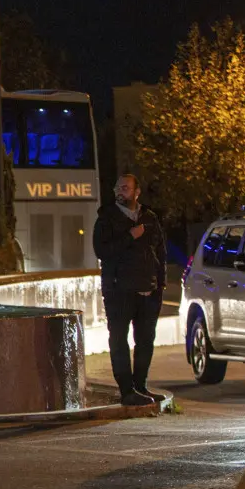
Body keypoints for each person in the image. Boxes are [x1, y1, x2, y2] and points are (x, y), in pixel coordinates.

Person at [92, 173, 167, 406]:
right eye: (117, 188)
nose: (119, 192)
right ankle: (127, 391)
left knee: (145, 340)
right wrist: (130, 236)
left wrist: (159, 285)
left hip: (148, 291)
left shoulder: (150, 217)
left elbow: (160, 253)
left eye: (125, 188)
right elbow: (101, 251)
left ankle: (140, 386)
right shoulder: (106, 218)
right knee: (119, 339)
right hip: (119, 290)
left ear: (136, 192)